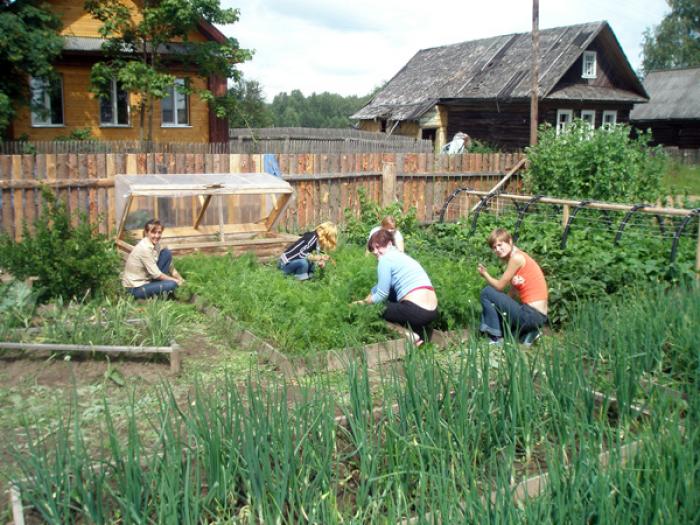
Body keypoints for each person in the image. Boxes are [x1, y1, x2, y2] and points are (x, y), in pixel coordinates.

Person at [353, 229, 438, 346]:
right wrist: (369, 296)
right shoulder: (402, 257)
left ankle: (410, 336)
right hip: (432, 312)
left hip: (415, 310)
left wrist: (363, 304)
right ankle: (417, 331)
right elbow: (379, 288)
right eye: (373, 249)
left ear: (389, 243)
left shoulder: (385, 260)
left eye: (379, 247)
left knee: (372, 310)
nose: (376, 252)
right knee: (391, 298)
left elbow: (382, 295)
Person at [477, 228, 548, 346]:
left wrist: (485, 274)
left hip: (531, 314)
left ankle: (495, 338)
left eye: (500, 245)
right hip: (538, 316)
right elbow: (512, 295)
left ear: (509, 241)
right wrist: (502, 301)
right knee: (507, 330)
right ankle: (529, 333)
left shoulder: (516, 258)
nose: (498, 250)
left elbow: (499, 286)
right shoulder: (520, 257)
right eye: (494, 248)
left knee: (487, 292)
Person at [122, 219, 183, 299]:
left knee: (166, 253)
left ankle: (161, 288)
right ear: (147, 233)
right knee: (172, 284)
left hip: (147, 279)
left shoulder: (155, 244)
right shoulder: (144, 248)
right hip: (135, 288)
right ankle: (162, 292)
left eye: (159, 232)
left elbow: (170, 266)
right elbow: (157, 274)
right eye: (153, 232)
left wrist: (181, 279)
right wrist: (176, 281)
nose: (157, 236)